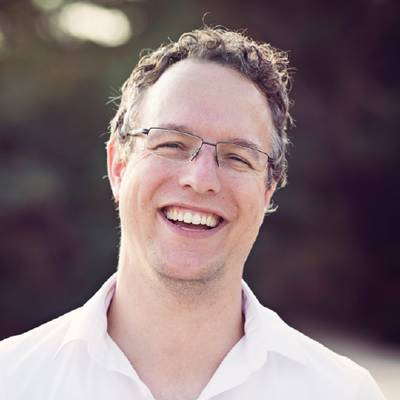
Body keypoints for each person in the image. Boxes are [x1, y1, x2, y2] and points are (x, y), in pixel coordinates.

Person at [0, 27, 386, 400]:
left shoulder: (344, 394)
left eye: (237, 157)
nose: (201, 180)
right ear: (118, 166)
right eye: (171, 144)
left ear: (268, 189)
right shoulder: (11, 382)